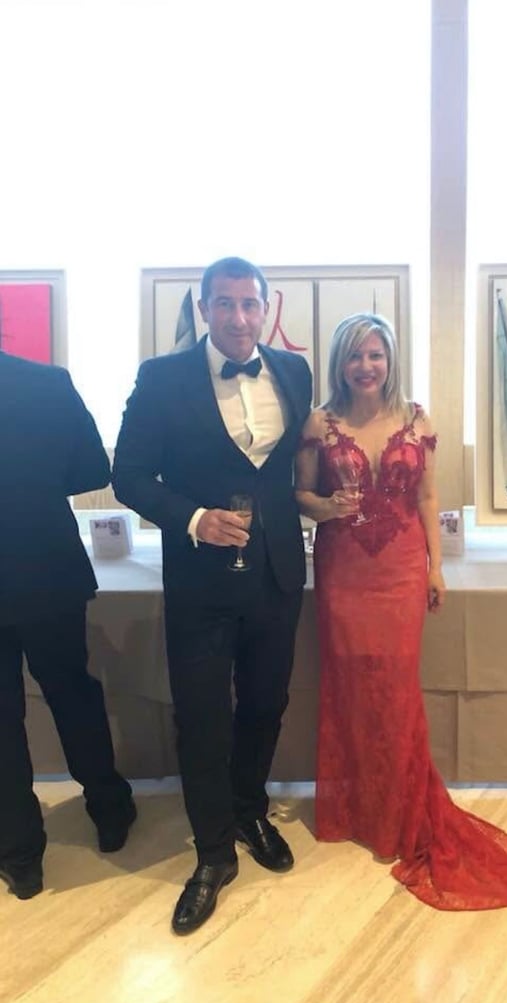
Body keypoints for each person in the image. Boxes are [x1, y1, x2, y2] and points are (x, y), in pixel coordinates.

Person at [294, 312, 507, 910]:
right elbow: (300, 494)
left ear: (390, 360)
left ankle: (398, 812)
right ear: (339, 363)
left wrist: (436, 567)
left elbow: (428, 495)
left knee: (395, 689)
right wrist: (326, 508)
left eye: (375, 355)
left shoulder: (417, 420)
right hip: (342, 571)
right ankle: (354, 808)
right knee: (350, 687)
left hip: (402, 569)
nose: (365, 366)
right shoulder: (319, 422)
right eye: (355, 355)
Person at [112, 256, 312, 936]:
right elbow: (128, 475)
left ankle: (250, 810)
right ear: (203, 308)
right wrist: (194, 519)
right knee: (202, 718)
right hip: (200, 581)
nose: (238, 316)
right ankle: (213, 852)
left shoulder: (294, 372)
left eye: (249, 304)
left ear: (266, 309)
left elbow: (293, 466)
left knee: (265, 705)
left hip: (277, 574)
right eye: (224, 303)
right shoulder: (161, 378)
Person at [0, 352, 137, 901]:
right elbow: (92, 471)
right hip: (46, 562)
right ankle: (109, 809)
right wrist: (34, 484)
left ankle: (19, 854)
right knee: (72, 692)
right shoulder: (47, 383)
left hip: (40, 567)